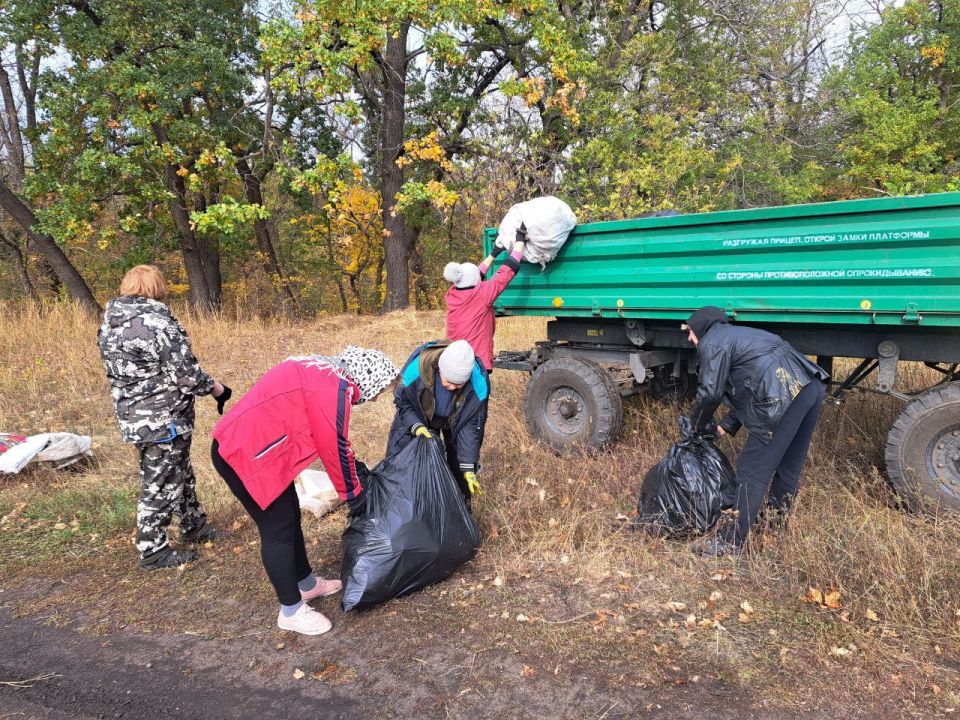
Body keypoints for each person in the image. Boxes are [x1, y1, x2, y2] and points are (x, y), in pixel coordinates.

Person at [210, 347, 399, 636]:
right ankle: (291, 611)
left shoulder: (322, 368)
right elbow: (333, 445)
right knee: (277, 530)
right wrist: (354, 494)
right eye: (377, 391)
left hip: (262, 450)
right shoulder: (335, 387)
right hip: (244, 455)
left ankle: (306, 584)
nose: (373, 399)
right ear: (368, 378)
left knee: (289, 516)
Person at [98, 265, 231, 571]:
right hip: (162, 418)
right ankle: (152, 550)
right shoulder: (155, 322)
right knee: (160, 481)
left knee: (178, 472)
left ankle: (194, 526)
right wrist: (217, 388)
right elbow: (186, 375)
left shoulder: (110, 322)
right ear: (156, 288)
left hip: (133, 415)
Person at [684, 306, 829, 556]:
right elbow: (751, 388)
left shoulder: (712, 343)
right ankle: (775, 524)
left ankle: (730, 542)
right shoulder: (743, 335)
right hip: (809, 389)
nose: (688, 338)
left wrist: (694, 427)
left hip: (783, 397)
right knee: (788, 466)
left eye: (689, 331)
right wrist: (722, 427)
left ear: (701, 328)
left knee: (751, 470)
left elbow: (710, 394)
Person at [386, 340, 489, 504]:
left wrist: (468, 467)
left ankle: (458, 505)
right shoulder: (417, 370)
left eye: (459, 384)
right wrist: (415, 426)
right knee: (403, 457)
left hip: (454, 420)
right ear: (439, 369)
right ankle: (398, 502)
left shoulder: (478, 387)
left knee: (459, 467)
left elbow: (470, 428)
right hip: (418, 414)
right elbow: (404, 403)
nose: (453, 387)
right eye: (449, 381)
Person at [444, 226, 527, 372]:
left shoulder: (452, 293)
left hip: (452, 357)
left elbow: (476, 274)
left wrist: (494, 253)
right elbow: (508, 270)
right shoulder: (482, 295)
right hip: (474, 360)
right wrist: (520, 240)